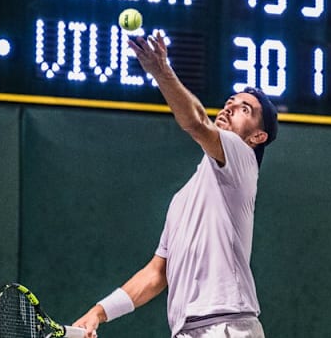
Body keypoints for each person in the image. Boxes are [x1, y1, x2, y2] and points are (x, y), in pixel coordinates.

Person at [73, 32, 278, 338]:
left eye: (244, 109)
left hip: (227, 327)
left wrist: (161, 71)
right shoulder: (181, 201)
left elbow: (196, 121)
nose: (230, 108)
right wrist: (99, 313)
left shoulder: (243, 157)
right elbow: (157, 274)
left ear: (257, 137)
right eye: (230, 102)